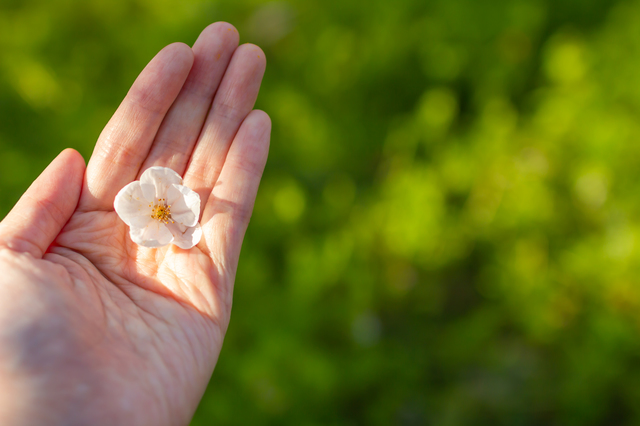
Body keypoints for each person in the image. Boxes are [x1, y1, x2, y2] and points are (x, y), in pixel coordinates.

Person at [0, 22, 269, 425]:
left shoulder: (170, 199)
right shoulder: (145, 212)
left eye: (161, 209)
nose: (160, 211)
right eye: (159, 209)